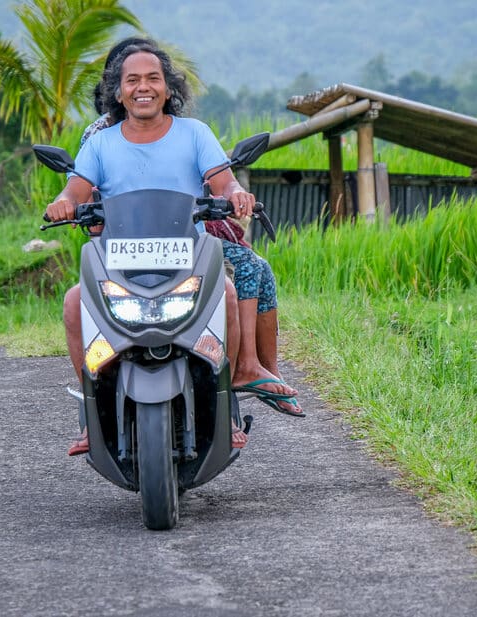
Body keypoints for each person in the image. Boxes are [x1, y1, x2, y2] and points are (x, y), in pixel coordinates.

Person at [45, 40, 300, 456]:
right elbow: (75, 189)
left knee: (229, 292)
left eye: (153, 79)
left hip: (187, 257)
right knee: (75, 302)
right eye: (132, 80)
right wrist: (63, 203)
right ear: (117, 90)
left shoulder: (195, 134)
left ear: (168, 88)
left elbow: (223, 181)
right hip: (119, 261)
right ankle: (94, 414)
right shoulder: (100, 143)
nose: (142, 88)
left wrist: (236, 193)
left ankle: (224, 406)